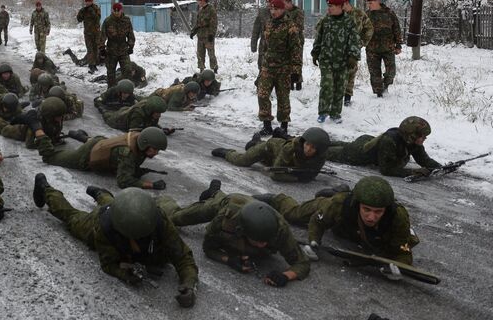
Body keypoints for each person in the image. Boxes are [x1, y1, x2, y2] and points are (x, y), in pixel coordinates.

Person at [32, 177, 198, 307]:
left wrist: (189, 285)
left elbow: (184, 257)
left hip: (117, 210)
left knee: (114, 205)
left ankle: (100, 194)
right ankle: (46, 188)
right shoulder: (105, 229)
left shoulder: (157, 220)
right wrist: (126, 273)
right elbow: (108, 264)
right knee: (71, 217)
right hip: (99, 218)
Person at [157, 183, 309, 288]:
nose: (263, 244)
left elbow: (302, 263)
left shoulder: (280, 229)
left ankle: (218, 193)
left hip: (253, 207)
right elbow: (208, 248)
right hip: (229, 202)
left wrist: (286, 276)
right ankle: (214, 194)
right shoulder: (226, 217)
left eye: (266, 241)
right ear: (243, 231)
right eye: (258, 241)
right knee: (177, 217)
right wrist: (229, 260)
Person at [260, 176, 419, 270]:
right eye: (367, 209)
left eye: (378, 212)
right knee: (294, 214)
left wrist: (395, 267)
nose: (372, 217)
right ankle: (277, 199)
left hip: (349, 230)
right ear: (357, 204)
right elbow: (317, 221)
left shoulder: (397, 216)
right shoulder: (340, 204)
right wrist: (314, 241)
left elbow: (403, 252)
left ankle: (336, 191)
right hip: (333, 211)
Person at [35, 126, 169, 190]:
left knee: (99, 145)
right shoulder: (127, 153)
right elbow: (124, 181)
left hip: (101, 143)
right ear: (144, 144)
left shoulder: (139, 138)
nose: (156, 153)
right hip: (87, 156)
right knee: (50, 158)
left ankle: (79, 136)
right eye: (154, 149)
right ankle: (36, 127)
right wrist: (151, 185)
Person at [326, 116, 441, 177]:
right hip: (356, 153)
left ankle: (322, 140)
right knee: (323, 151)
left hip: (368, 142)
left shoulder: (413, 142)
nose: (425, 138)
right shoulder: (389, 141)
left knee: (340, 144)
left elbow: (424, 160)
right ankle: (313, 142)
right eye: (422, 136)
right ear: (411, 135)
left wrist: (440, 168)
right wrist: (413, 172)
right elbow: (387, 169)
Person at [211, 127, 330, 182]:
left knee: (256, 150)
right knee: (242, 161)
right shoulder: (290, 148)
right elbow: (275, 174)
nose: (308, 149)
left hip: (275, 158)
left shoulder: (320, 157)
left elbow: (312, 173)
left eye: (313, 148)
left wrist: (307, 176)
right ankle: (226, 152)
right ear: (304, 141)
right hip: (270, 147)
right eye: (307, 144)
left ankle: (256, 142)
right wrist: (297, 177)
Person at [255, 0, 301, 135]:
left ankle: (284, 126)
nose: (273, 11)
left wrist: (296, 71)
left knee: (283, 98)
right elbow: (265, 47)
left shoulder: (290, 26)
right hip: (268, 67)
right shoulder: (268, 24)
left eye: (276, 9)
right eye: (271, 9)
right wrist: (261, 68)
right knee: (262, 95)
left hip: (283, 68)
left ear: (282, 10)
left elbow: (296, 49)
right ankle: (266, 125)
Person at [311, 0, 360, 123]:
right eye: (329, 6)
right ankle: (323, 112)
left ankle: (335, 114)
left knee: (340, 87)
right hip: (326, 59)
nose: (329, 9)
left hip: (342, 61)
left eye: (331, 6)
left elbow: (354, 40)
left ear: (340, 7)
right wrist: (315, 52)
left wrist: (353, 56)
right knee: (327, 85)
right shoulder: (325, 21)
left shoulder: (349, 21)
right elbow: (319, 38)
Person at [338, 0, 374, 106]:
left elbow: (369, 28)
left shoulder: (359, 14)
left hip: (353, 49)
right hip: (337, 49)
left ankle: (347, 97)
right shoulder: (336, 14)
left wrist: (362, 42)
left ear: (346, 3)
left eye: (340, 4)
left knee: (351, 73)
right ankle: (337, 97)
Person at [365, 0, 403, 98]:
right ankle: (379, 93)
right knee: (374, 73)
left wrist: (398, 45)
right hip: (372, 49)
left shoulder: (389, 13)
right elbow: (361, 30)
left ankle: (386, 84)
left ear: (378, 1)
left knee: (391, 71)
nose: (369, 5)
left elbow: (396, 29)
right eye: (368, 3)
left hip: (388, 48)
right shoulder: (367, 15)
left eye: (371, 3)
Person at [100, 2, 135, 87]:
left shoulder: (126, 20)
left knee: (127, 70)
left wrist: (131, 46)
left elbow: (130, 34)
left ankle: (126, 90)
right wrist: (102, 48)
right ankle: (112, 91)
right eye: (114, 11)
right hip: (111, 50)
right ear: (112, 11)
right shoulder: (108, 21)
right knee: (111, 72)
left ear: (121, 10)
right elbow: (102, 35)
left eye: (118, 11)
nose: (116, 13)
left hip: (123, 50)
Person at [102, 96, 167, 132]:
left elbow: (152, 124)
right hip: (117, 120)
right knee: (107, 114)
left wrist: (162, 130)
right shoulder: (138, 114)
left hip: (126, 110)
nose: (159, 115)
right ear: (151, 110)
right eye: (157, 113)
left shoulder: (150, 108)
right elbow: (133, 132)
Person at [281, 0, 305, 90]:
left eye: (285, 4)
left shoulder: (298, 12)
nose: (284, 6)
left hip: (297, 40)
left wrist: (288, 28)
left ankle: (298, 81)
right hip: (287, 40)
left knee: (297, 61)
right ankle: (290, 81)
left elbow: (299, 26)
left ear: (290, 3)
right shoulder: (283, 12)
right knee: (288, 61)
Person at [251, 0, 277, 76]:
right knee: (261, 64)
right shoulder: (262, 13)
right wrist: (253, 44)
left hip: (277, 45)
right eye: (267, 2)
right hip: (264, 44)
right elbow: (256, 30)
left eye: (270, 2)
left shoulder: (280, 12)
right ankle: (261, 79)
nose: (269, 4)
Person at [190, 0, 218, 73]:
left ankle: (214, 68)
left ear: (203, 1)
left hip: (208, 36)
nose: (198, 3)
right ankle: (201, 69)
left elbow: (214, 23)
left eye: (199, 1)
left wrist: (211, 34)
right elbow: (198, 23)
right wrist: (193, 32)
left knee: (211, 54)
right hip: (200, 36)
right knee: (200, 54)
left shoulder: (211, 10)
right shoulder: (200, 10)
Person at [77, 0, 102, 73]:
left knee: (96, 48)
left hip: (96, 32)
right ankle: (91, 65)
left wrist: (92, 11)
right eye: (86, 1)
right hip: (88, 33)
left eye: (89, 1)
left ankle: (94, 63)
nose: (87, 3)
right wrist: (81, 13)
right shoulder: (83, 10)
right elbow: (79, 19)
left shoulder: (96, 8)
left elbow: (98, 18)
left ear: (92, 1)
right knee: (90, 49)